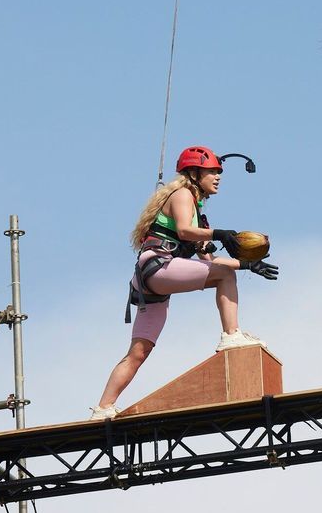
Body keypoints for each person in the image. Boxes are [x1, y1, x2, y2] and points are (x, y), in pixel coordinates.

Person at [90, 145, 279, 420]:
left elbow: (209, 260)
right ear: (194, 173)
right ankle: (231, 335)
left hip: (152, 282)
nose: (218, 177)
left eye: (218, 172)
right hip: (158, 267)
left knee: (139, 352)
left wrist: (247, 264)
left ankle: (103, 408)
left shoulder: (198, 214)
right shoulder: (182, 195)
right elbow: (183, 231)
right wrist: (219, 233)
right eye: (212, 172)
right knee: (225, 276)